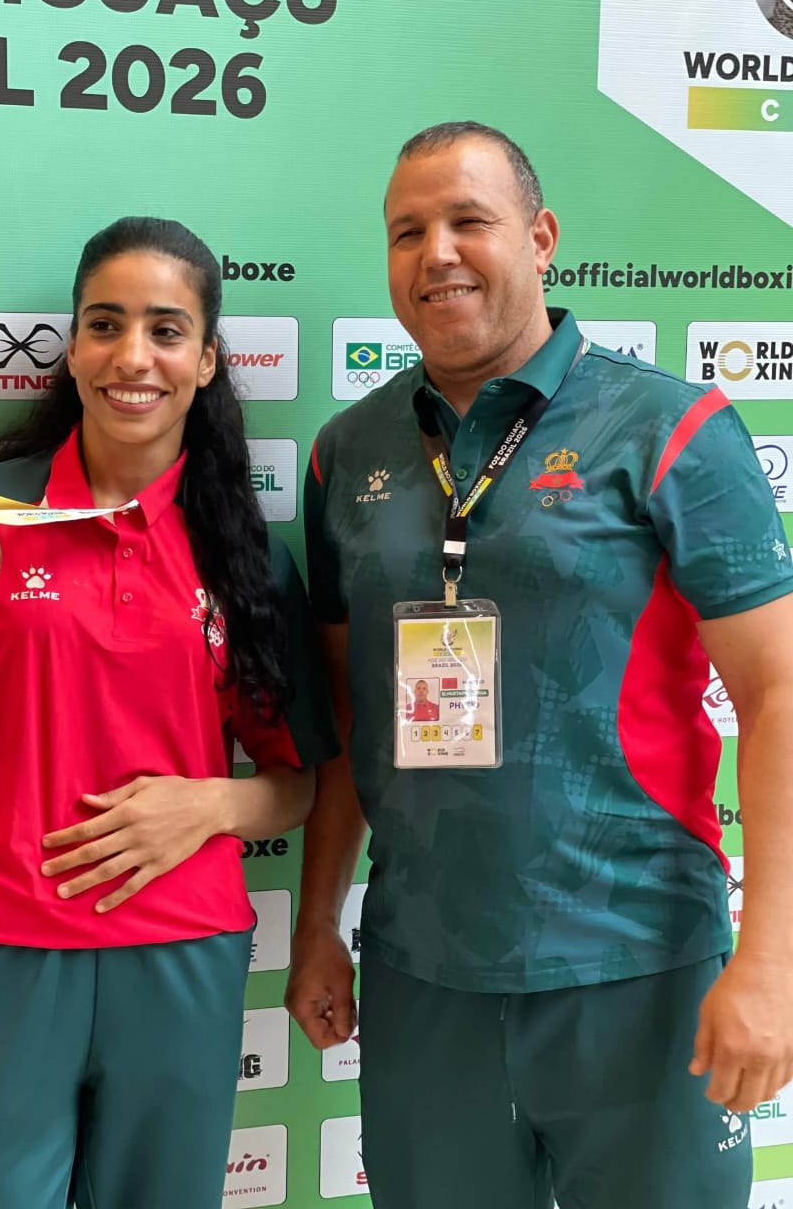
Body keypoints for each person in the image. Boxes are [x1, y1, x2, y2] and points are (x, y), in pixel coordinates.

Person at [286, 122, 793, 1209]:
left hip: (638, 965)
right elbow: (344, 717)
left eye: (468, 221)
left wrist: (773, 960)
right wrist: (317, 919)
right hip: (423, 975)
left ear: (541, 237)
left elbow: (777, 694)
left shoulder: (671, 425)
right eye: (407, 231)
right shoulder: (347, 450)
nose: (437, 253)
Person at [0, 216, 336, 1209]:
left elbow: (298, 784)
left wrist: (209, 805)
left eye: (167, 330)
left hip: (179, 952)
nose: (133, 357)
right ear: (73, 347)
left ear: (207, 360)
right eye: (105, 324)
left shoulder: (247, 552)